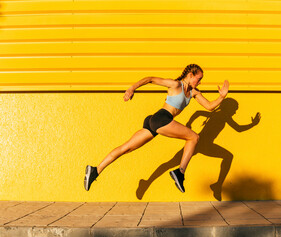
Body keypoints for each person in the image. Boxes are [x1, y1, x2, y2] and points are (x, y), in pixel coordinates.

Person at [84, 64, 229, 193]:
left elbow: (209, 107)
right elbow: (151, 79)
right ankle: (180, 172)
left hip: (155, 121)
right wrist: (131, 89)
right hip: (161, 118)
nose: (200, 82)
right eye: (199, 78)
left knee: (127, 148)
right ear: (190, 75)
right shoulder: (175, 85)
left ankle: (95, 170)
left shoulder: (194, 92)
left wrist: (221, 97)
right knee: (194, 137)